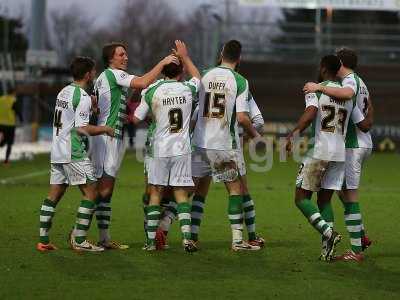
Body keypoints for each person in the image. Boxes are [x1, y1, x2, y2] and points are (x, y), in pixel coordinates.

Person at [91, 42, 179, 250]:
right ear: (111, 59)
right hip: (108, 139)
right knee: (102, 190)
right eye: (121, 54)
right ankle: (79, 233)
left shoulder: (107, 78)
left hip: (109, 138)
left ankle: (103, 238)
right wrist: (163, 62)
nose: (126, 57)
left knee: (105, 190)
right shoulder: (113, 74)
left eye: (126, 54)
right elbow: (142, 82)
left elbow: (120, 100)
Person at [286, 55, 370, 261]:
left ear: (323, 68)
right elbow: (364, 124)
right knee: (324, 201)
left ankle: (328, 232)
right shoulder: (347, 96)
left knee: (301, 198)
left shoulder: (316, 88)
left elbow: (311, 111)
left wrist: (294, 132)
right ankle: (327, 252)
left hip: (320, 150)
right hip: (340, 154)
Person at [37, 56, 114, 252]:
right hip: (73, 151)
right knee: (92, 193)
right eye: (93, 72)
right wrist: (105, 128)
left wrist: (92, 108)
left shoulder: (64, 91)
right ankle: (79, 240)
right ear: (88, 74)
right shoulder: (83, 97)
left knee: (54, 195)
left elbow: (72, 118)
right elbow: (82, 128)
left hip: (57, 150)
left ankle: (43, 240)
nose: (94, 74)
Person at [191, 40, 261, 251]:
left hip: (199, 143)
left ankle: (187, 235)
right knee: (235, 190)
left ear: (221, 54)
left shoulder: (205, 74)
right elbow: (242, 117)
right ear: (239, 59)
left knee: (195, 190)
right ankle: (238, 241)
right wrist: (256, 135)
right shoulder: (240, 80)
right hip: (222, 144)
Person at [133, 40, 200, 252]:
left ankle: (151, 242)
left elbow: (136, 118)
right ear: (181, 72)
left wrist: (154, 118)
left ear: (163, 71)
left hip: (159, 149)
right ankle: (187, 239)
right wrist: (185, 56)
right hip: (182, 149)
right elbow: (198, 78)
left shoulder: (152, 90)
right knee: (181, 195)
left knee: (155, 193)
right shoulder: (188, 89)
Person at [0, 87, 23, 164]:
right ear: (13, 93)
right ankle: (6, 161)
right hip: (10, 125)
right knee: (9, 143)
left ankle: (2, 143)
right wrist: (21, 120)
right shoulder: (13, 100)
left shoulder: (1, 99)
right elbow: (18, 111)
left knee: (4, 141)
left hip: (1, 124)